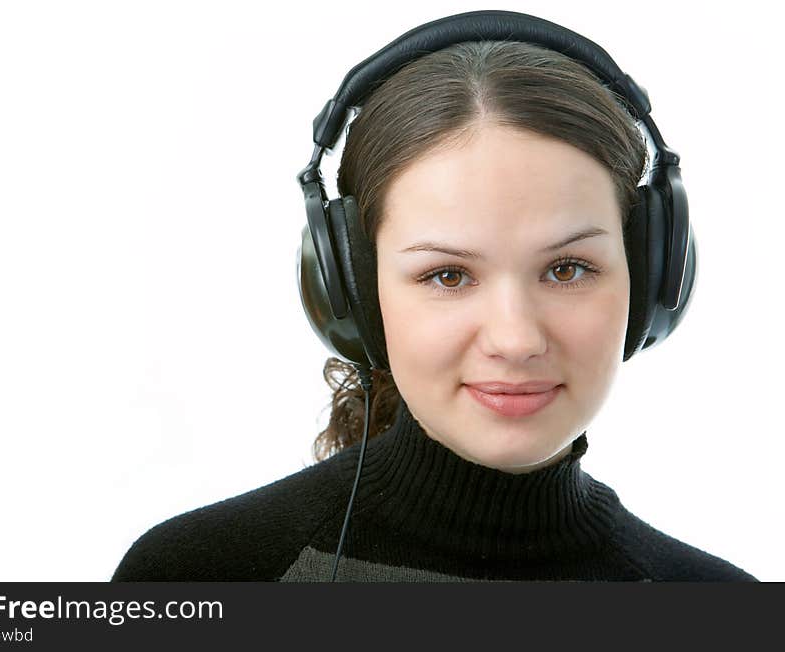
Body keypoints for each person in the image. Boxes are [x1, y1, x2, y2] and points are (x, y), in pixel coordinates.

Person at [111, 11, 757, 582]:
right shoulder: (198, 577)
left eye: (566, 269)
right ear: (355, 294)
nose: (516, 339)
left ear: (651, 279)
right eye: (448, 275)